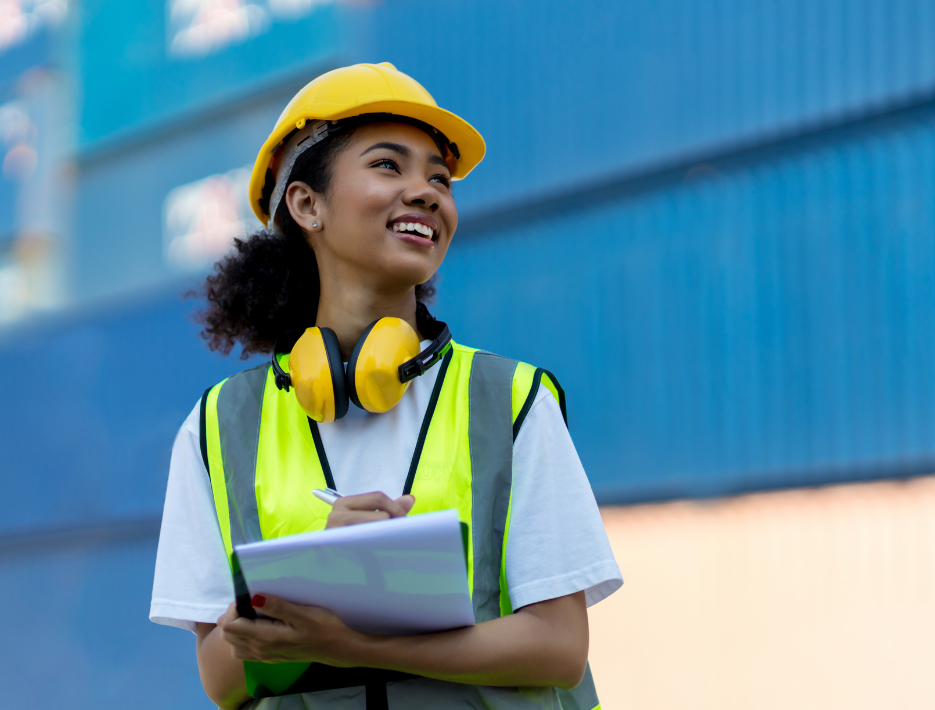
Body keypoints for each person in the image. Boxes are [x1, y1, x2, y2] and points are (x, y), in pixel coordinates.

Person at [149, 62, 622, 710]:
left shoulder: (509, 400)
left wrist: (354, 641)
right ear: (306, 204)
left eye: (439, 178)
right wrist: (311, 576)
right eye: (388, 166)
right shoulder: (220, 425)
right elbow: (222, 677)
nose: (427, 193)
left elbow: (560, 648)